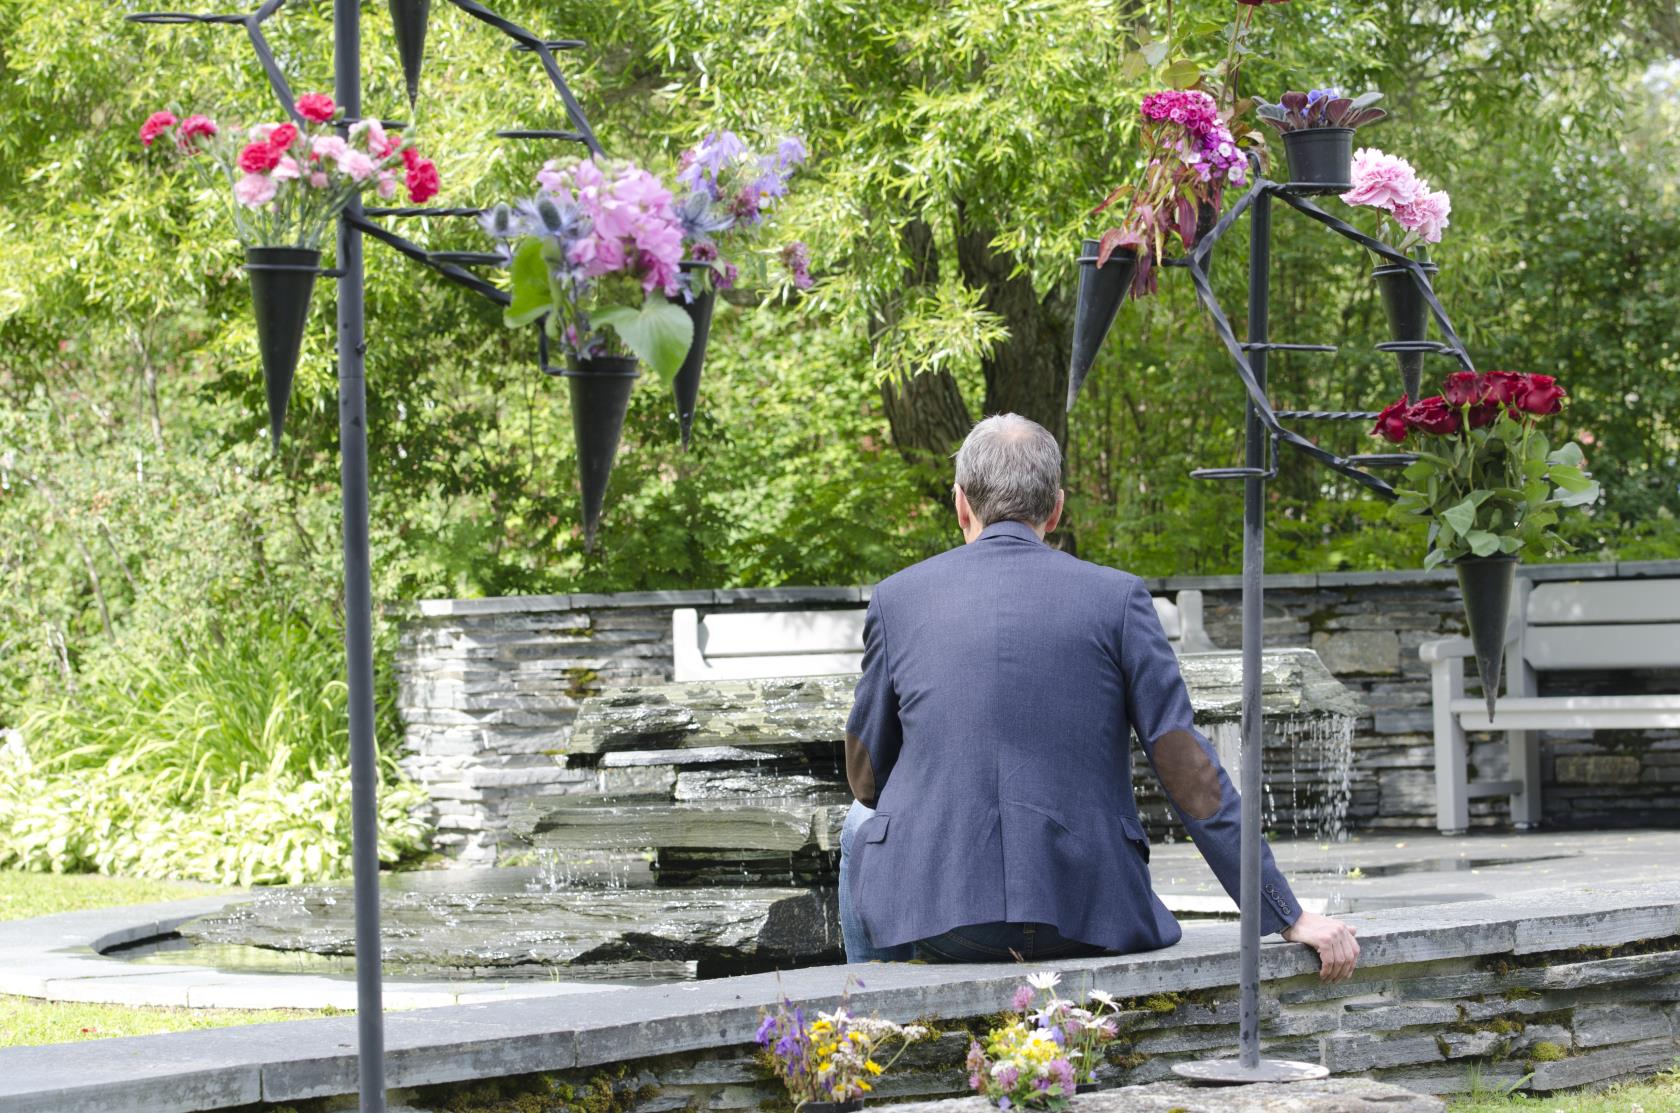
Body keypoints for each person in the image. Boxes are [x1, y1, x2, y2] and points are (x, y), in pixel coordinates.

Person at [838, 414, 1359, 980]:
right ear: (1056, 508)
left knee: (857, 826)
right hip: (1091, 920)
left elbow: (866, 779)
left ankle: (868, 1015)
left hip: (941, 927)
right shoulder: (1119, 598)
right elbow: (1189, 773)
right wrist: (1284, 913)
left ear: (961, 503)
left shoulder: (896, 599)